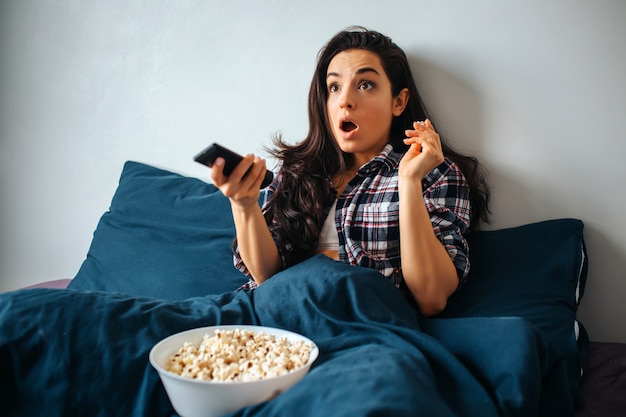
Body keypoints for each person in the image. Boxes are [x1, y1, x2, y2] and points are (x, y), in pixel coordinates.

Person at [211, 26, 490, 316]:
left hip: (358, 322)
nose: (345, 100)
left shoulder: (435, 173)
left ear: (398, 101)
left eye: (365, 84)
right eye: (334, 87)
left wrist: (408, 181)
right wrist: (243, 205)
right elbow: (265, 277)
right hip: (269, 314)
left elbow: (432, 298)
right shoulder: (297, 171)